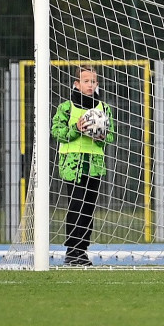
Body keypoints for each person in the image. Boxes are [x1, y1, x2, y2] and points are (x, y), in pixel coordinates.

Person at [50, 65, 115, 267]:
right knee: (76, 205)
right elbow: (56, 132)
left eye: (93, 81)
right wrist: (76, 128)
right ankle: (72, 250)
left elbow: (110, 136)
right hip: (73, 164)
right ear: (77, 84)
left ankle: (82, 251)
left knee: (88, 208)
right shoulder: (66, 107)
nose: (90, 85)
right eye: (86, 81)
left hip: (94, 164)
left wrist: (101, 136)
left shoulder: (103, 108)